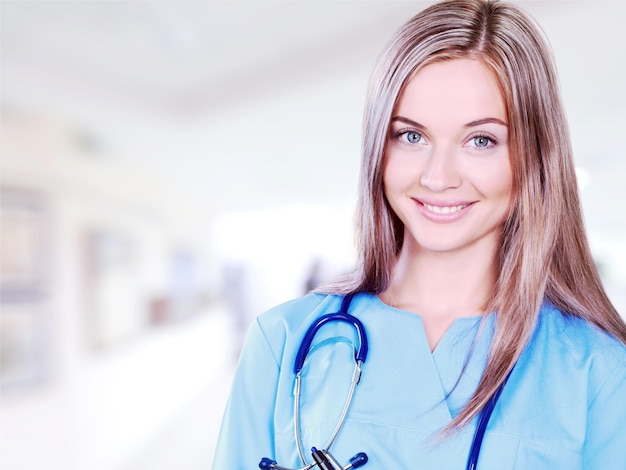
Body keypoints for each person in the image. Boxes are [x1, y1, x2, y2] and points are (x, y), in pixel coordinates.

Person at [212, 0, 626, 468]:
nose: (438, 176)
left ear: (532, 155)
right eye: (412, 136)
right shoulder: (284, 341)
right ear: (378, 148)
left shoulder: (599, 372)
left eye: (481, 140)